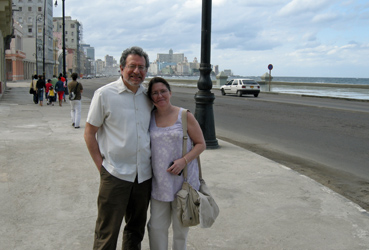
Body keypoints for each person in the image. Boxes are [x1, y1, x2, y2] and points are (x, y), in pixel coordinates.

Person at [84, 46, 152, 250]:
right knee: (107, 231)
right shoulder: (104, 94)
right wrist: (102, 168)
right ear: (121, 68)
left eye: (141, 67)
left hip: (143, 177)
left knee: (135, 230)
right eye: (132, 66)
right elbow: (89, 132)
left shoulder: (148, 97)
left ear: (146, 71)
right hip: (115, 174)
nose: (137, 71)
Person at [146, 77, 206, 250]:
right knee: (156, 227)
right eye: (155, 93)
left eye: (163, 91)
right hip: (159, 183)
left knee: (181, 230)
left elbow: (201, 144)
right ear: (151, 98)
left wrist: (183, 161)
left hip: (183, 184)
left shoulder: (184, 116)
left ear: (170, 93)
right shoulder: (149, 118)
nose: (160, 96)